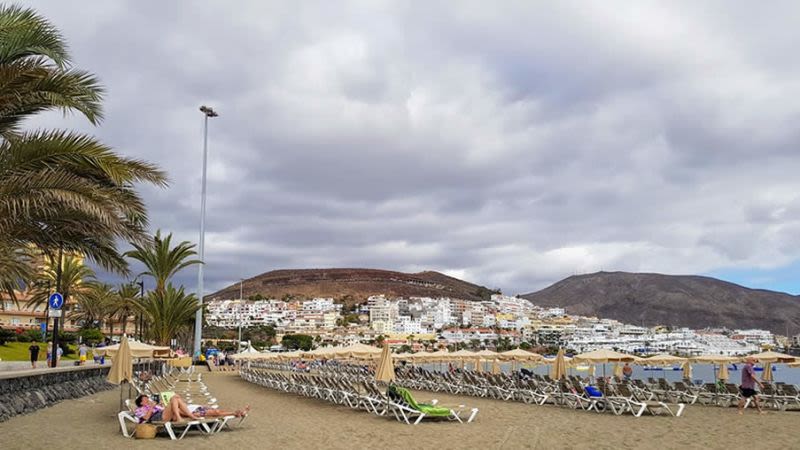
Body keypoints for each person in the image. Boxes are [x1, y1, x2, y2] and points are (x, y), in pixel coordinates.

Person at [133, 394, 249, 423]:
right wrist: (152, 407)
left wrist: (160, 405)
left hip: (168, 414)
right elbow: (146, 418)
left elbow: (163, 408)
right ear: (141, 403)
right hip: (157, 417)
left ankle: (235, 413)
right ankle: (185, 416)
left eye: (147, 398)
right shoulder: (139, 410)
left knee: (213, 412)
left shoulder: (153, 405)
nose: (148, 400)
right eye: (145, 399)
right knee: (175, 397)